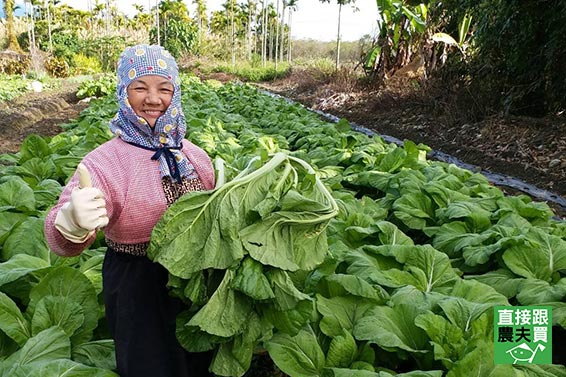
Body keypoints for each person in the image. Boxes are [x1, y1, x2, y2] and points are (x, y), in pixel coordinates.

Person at [44, 44, 216, 377]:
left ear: (175, 94)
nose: (153, 99)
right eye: (140, 88)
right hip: (138, 285)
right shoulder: (105, 161)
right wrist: (70, 222)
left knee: (198, 361)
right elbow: (60, 236)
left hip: (197, 280)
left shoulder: (195, 155)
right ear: (123, 93)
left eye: (164, 89)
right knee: (148, 365)